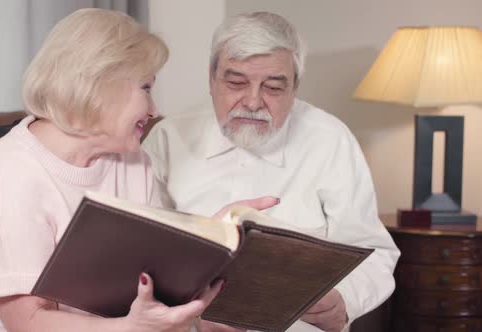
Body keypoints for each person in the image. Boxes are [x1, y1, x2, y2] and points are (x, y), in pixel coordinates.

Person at [0, 8, 277, 332]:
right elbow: (28, 322)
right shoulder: (6, 173)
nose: (154, 109)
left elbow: (153, 274)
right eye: (146, 87)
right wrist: (130, 329)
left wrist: (211, 239)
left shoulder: (131, 161)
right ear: (99, 84)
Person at [143, 11, 400, 332]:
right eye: (236, 82)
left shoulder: (330, 139)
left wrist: (344, 300)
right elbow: (143, 250)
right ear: (211, 80)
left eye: (273, 88)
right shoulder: (169, 137)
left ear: (295, 87)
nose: (252, 101)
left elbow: (373, 251)